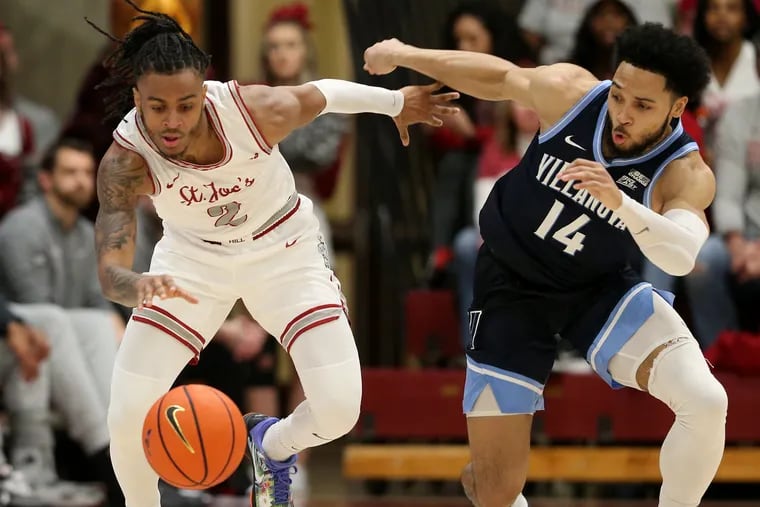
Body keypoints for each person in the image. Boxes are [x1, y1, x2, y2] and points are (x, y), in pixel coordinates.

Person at [86, 2, 458, 506]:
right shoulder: (125, 159)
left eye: (186, 105)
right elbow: (110, 269)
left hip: (285, 250)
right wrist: (136, 285)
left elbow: (322, 94)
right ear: (137, 98)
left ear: (204, 94)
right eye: (157, 107)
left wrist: (395, 101)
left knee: (339, 409)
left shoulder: (252, 111)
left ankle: (271, 444)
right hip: (191, 263)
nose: (172, 121)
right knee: (127, 413)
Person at [364, 22, 727, 507]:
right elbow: (498, 77)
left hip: (597, 289)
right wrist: (405, 51)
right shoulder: (571, 95)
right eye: (619, 95)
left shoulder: (685, 171)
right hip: (511, 285)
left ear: (676, 108)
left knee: (706, 401)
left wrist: (620, 203)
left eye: (642, 106)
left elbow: (679, 254)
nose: (622, 114)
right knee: (494, 489)